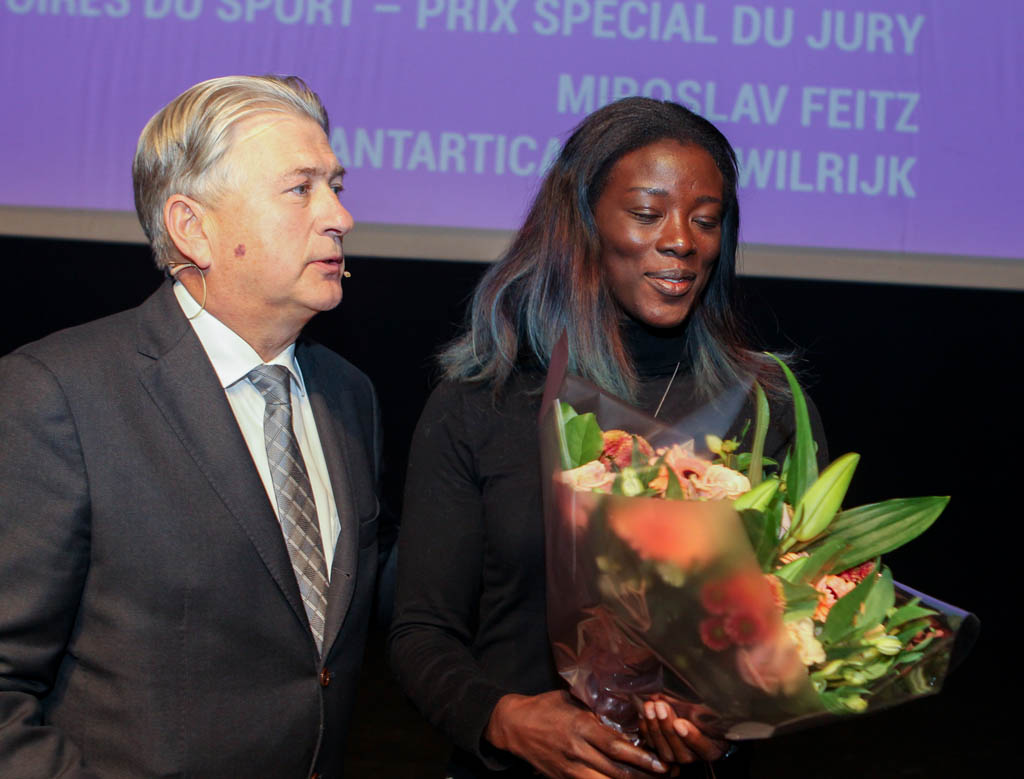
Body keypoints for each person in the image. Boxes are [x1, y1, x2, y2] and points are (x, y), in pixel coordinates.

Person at [389, 97, 827, 778]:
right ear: (581, 223)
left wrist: (731, 727)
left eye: (705, 219)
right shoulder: (483, 401)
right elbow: (421, 633)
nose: (681, 241)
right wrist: (503, 719)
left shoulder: (767, 408)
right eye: (648, 214)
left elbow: (805, 629)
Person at [0, 75, 388, 778]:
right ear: (192, 227)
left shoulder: (348, 395)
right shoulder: (57, 394)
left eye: (335, 185)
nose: (340, 216)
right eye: (300, 189)